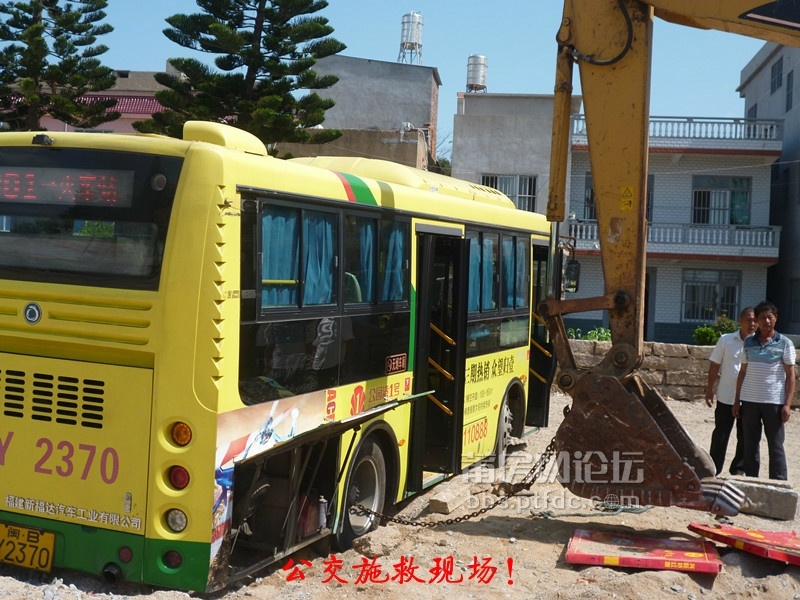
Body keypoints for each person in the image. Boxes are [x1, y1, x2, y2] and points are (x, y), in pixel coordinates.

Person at [734, 300, 796, 480]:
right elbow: (743, 372)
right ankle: (752, 480)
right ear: (758, 320)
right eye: (762, 318)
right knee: (750, 444)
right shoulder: (748, 343)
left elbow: (790, 375)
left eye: (770, 317)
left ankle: (779, 483)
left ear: (776, 319)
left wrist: (787, 404)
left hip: (774, 403)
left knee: (776, 445)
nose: (766, 321)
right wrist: (737, 400)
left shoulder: (785, 343)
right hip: (750, 401)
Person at [704, 307, 757, 476]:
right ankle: (714, 469)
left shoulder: (759, 344)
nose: (752, 323)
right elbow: (714, 366)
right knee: (721, 434)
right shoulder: (726, 341)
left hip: (749, 398)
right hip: (726, 396)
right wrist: (709, 389)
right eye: (749, 319)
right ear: (740, 321)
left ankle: (738, 469)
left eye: (755, 320)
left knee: (744, 437)